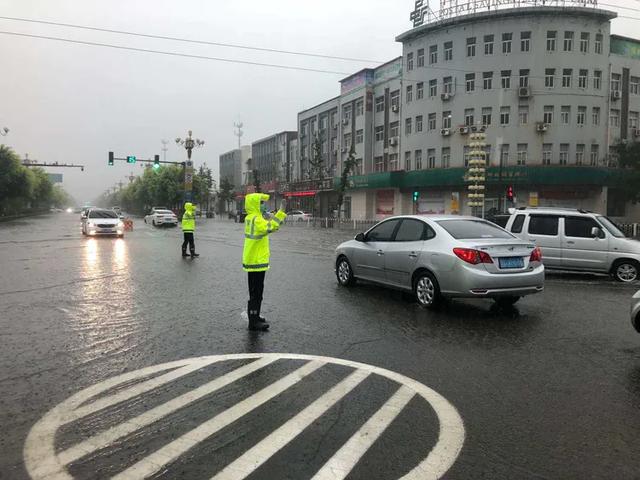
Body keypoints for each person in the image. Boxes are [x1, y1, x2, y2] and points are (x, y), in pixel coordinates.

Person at [242, 193, 287, 331]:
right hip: (257, 260)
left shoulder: (250, 217)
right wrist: (280, 213)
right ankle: (253, 322)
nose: (263, 205)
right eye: (261, 202)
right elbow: (271, 227)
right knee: (257, 291)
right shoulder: (256, 219)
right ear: (255, 204)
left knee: (255, 290)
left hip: (252, 259)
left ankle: (255, 316)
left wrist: (266, 217)